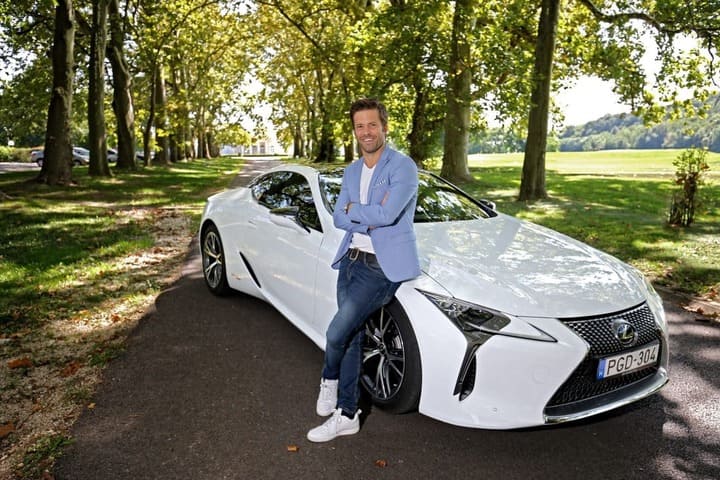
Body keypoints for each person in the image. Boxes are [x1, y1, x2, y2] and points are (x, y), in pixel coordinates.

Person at [306, 98, 421, 443]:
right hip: (350, 260)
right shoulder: (352, 171)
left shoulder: (402, 167)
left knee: (336, 332)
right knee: (352, 335)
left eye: (372, 124)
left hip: (380, 267)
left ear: (384, 126)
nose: (366, 132)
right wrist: (365, 214)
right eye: (360, 126)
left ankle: (329, 379)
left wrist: (356, 210)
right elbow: (338, 218)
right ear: (354, 131)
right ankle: (348, 414)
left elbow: (387, 215)